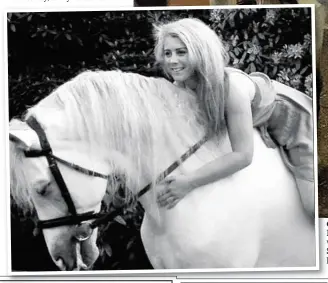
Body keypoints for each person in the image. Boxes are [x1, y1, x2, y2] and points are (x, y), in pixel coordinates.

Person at [154, 17, 314, 218]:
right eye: (167, 53)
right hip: (256, 120)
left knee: (313, 204)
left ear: (200, 53)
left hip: (294, 123)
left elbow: (243, 156)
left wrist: (189, 182)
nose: (172, 61)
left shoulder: (230, 89)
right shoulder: (181, 85)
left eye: (181, 52)